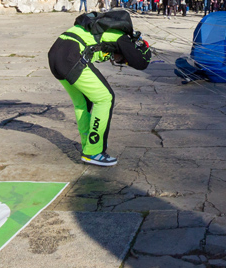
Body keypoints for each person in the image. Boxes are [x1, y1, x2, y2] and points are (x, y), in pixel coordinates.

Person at [48, 9, 152, 166]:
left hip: (55, 55)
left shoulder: (99, 27)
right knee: (105, 98)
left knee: (82, 103)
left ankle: (89, 146)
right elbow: (140, 63)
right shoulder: (121, 38)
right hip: (71, 57)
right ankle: (94, 151)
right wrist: (144, 48)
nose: (116, 60)